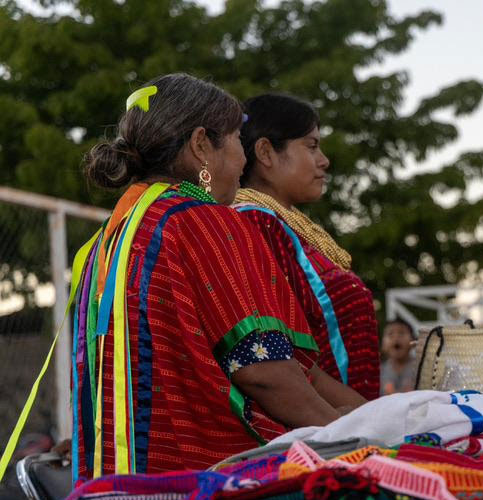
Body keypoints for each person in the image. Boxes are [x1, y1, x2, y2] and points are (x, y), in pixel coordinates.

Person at [73, 74, 365, 480]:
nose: (243, 160)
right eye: (234, 141)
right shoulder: (202, 220)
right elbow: (264, 370)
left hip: (116, 479)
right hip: (201, 475)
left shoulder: (109, 236)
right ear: (200, 145)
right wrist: (354, 440)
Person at [233, 93, 380, 400]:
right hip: (321, 426)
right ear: (266, 152)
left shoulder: (284, 224)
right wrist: (364, 416)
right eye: (311, 146)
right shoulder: (256, 224)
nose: (324, 160)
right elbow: (282, 356)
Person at [380, 318, 417, 395]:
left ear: (413, 342)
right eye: (390, 334)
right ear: (382, 345)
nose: (396, 337)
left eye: (401, 333)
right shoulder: (378, 372)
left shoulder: (421, 369)